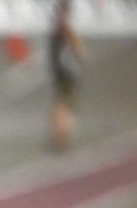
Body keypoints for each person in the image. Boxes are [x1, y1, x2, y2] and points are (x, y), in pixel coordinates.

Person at [48, 0, 85, 151]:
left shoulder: (62, 32)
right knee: (65, 106)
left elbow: (79, 52)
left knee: (62, 106)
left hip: (63, 73)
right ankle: (62, 137)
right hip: (65, 73)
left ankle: (60, 137)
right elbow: (80, 52)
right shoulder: (64, 31)